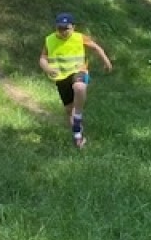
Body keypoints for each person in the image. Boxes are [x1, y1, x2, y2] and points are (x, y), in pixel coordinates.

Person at [38, 12, 112, 149]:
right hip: (61, 77)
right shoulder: (50, 40)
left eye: (66, 28)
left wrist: (106, 61)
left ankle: (78, 115)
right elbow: (43, 58)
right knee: (68, 110)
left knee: (79, 87)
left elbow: (96, 47)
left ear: (73, 27)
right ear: (56, 28)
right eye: (60, 28)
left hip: (78, 70)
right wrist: (47, 68)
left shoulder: (79, 37)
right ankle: (78, 136)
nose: (63, 31)